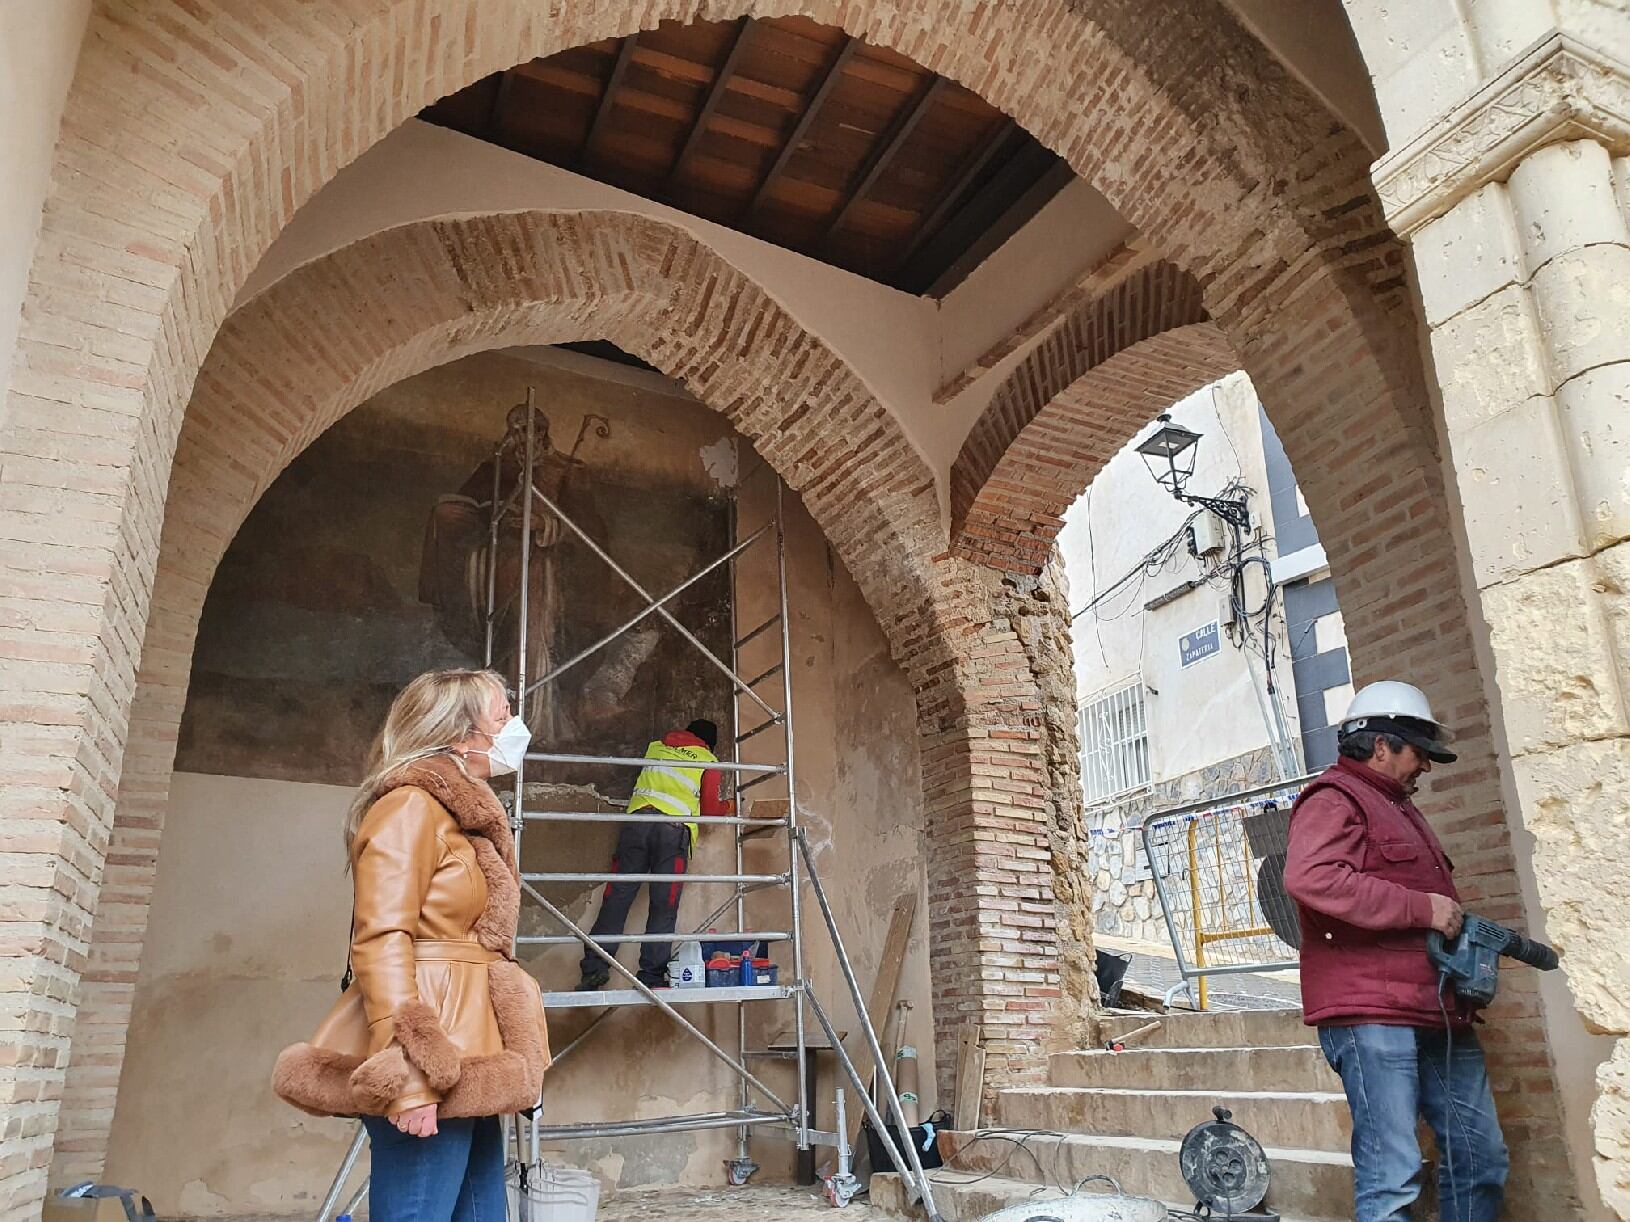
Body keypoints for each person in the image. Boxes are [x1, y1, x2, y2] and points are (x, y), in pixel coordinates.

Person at [274, 669, 550, 1222]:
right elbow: (380, 939)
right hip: (429, 1051)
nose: (513, 726)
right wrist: (410, 1075)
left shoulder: (457, 816)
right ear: (460, 733)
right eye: (502, 716)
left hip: (469, 1048)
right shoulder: (409, 807)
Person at [1284, 680, 1508, 1222]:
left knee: (1482, 1158)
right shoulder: (1335, 798)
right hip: (1372, 1015)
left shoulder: (1397, 806)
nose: (1426, 767)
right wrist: (1420, 908)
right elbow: (1311, 877)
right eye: (1419, 753)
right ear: (1379, 745)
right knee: (1392, 1176)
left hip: (1435, 1007)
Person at [575, 719, 735, 990]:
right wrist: (728, 805)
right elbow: (709, 810)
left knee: (617, 898)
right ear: (707, 743)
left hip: (636, 827)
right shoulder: (707, 759)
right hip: (671, 834)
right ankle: (650, 976)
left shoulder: (656, 747)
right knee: (664, 905)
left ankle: (594, 970)